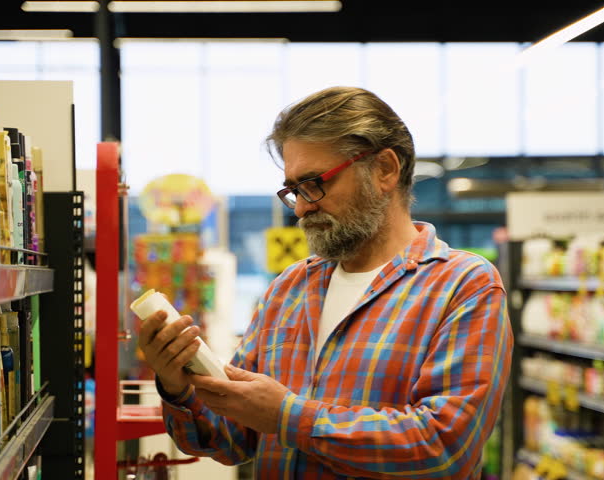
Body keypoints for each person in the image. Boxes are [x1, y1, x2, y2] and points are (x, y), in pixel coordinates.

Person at [138, 86, 513, 479]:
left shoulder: (463, 286)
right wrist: (177, 384)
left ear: (385, 169)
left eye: (315, 183)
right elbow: (231, 439)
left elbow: (443, 448)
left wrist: (287, 415)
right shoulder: (289, 288)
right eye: (294, 190)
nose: (301, 207)